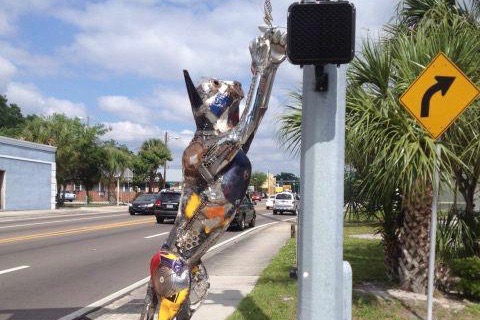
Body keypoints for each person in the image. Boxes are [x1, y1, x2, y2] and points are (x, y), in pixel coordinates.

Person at [140, 27, 287, 320]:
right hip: (179, 255)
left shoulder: (223, 146)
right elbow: (247, 124)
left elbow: (253, 119)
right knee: (170, 307)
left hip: (182, 254)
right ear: (207, 106)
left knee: (172, 307)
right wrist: (262, 67)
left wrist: (268, 69)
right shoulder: (202, 148)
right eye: (219, 90)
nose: (228, 94)